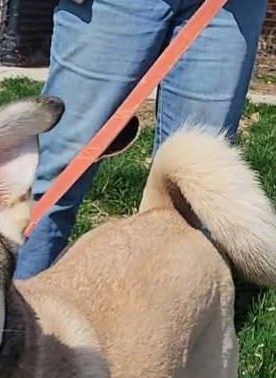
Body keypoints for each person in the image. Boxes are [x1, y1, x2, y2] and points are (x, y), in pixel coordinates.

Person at [15, 0, 268, 280]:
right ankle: (11, 305)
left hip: (228, 9)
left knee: (195, 184)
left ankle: (170, 309)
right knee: (53, 177)